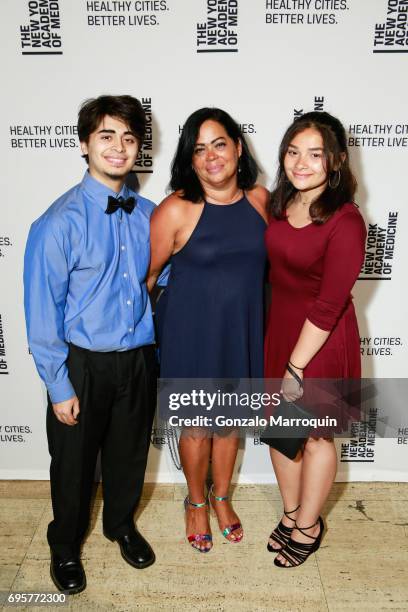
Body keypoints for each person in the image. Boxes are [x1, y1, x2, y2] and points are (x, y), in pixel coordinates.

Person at [24, 95, 157, 593]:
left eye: (128, 137)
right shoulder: (57, 222)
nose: (118, 147)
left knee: (128, 458)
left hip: (139, 358)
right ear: (84, 144)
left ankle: (120, 525)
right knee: (74, 467)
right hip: (81, 364)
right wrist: (59, 386)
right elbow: (42, 314)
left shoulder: (151, 214)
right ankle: (64, 546)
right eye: (106, 136)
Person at [148, 108, 268, 552]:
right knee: (197, 425)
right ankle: (195, 502)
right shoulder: (177, 208)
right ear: (190, 159)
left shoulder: (260, 200)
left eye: (219, 143)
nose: (211, 156)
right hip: (191, 334)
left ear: (238, 147)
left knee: (230, 423)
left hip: (241, 331)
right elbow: (146, 281)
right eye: (199, 149)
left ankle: (221, 497)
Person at [263, 111, 366, 568]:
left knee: (317, 437)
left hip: (319, 342)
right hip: (279, 330)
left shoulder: (346, 221)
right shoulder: (277, 204)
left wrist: (295, 367)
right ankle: (290, 515)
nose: (301, 163)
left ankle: (309, 525)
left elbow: (328, 304)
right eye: (292, 151)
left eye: (315, 154)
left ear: (337, 161)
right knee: (280, 431)